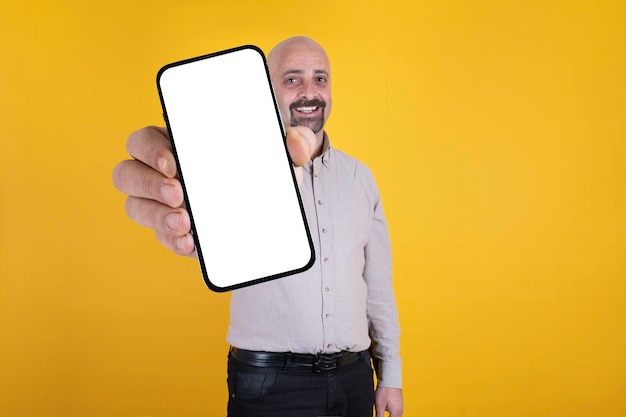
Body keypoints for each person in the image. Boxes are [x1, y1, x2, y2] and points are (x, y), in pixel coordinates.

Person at [112, 36, 403, 417]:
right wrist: (191, 203)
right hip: (270, 385)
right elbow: (206, 242)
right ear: (265, 90)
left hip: (354, 379)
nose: (309, 92)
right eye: (292, 80)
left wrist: (391, 375)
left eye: (320, 79)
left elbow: (378, 287)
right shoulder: (232, 170)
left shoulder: (360, 177)